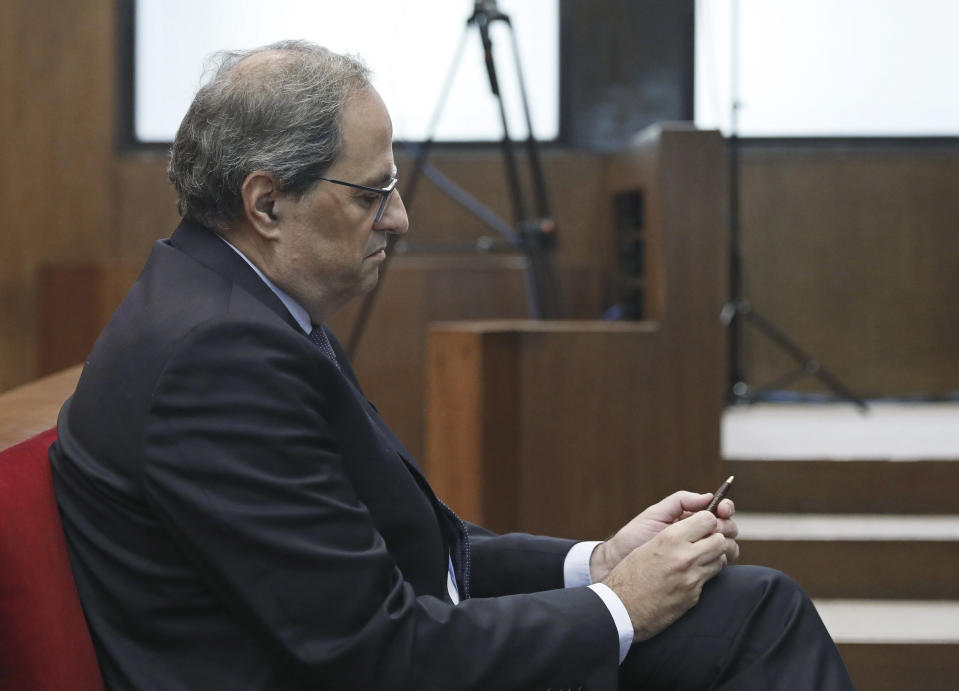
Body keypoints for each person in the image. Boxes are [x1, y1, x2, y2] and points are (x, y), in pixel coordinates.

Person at [51, 40, 853, 690]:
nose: (398, 218)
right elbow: (376, 653)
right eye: (371, 194)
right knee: (755, 619)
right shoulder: (216, 357)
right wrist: (620, 605)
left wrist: (596, 563)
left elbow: (419, 552)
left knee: (749, 607)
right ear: (266, 204)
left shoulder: (241, 307)